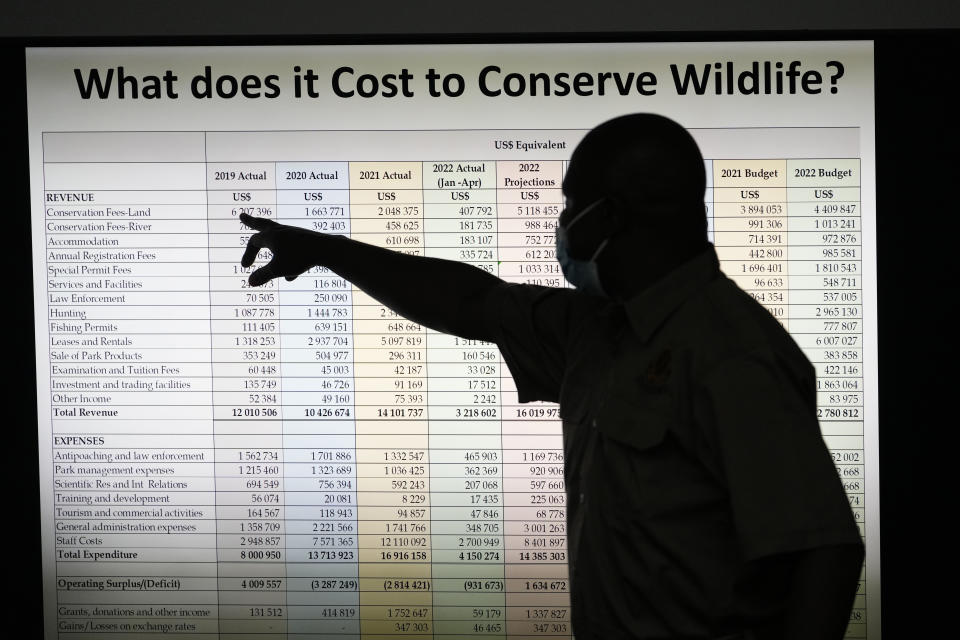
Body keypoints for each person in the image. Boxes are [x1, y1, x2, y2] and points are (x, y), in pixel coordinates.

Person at [239, 113, 864, 639]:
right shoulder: (600, 328)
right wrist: (326, 250)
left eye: (570, 204)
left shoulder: (732, 355)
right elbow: (470, 301)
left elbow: (821, 552)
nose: (561, 223)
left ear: (611, 216)